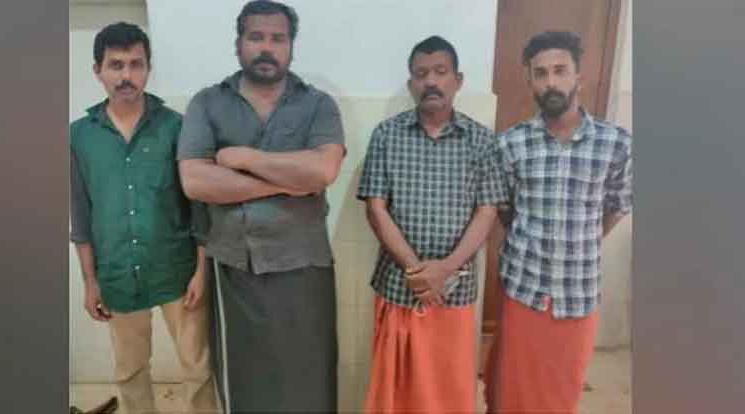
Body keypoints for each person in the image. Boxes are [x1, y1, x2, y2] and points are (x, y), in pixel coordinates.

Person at [176, 1, 346, 412]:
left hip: (304, 263)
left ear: (291, 47)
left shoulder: (318, 104)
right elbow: (195, 181)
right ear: (238, 44)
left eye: (278, 38)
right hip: (234, 267)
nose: (267, 47)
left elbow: (323, 171)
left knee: (308, 378)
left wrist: (244, 159)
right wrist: (289, 182)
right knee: (246, 385)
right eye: (256, 37)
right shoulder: (207, 103)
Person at [69, 22, 219, 414]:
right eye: (115, 65)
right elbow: (80, 214)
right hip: (117, 272)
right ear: (98, 70)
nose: (126, 75)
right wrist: (90, 281)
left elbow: (200, 206)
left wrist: (201, 271)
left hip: (178, 270)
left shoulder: (176, 128)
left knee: (198, 368)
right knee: (130, 370)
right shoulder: (79, 136)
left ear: (148, 68)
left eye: (136, 64)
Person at [485, 30, 633, 414]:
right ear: (530, 81)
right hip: (524, 285)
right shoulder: (511, 144)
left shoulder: (616, 144)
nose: (551, 82)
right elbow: (505, 210)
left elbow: (616, 206)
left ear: (578, 76)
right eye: (541, 73)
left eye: (560, 70)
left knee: (562, 389)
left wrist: (580, 240)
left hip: (577, 289)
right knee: (514, 386)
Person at [357, 35, 507, 414]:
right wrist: (417, 270)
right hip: (399, 285)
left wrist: (445, 270)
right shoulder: (387, 135)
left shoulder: (482, 141)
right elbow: (376, 209)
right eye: (421, 74)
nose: (431, 82)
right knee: (397, 391)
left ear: (458, 80)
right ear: (411, 84)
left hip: (455, 290)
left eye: (440, 72)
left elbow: (487, 212)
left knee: (447, 387)